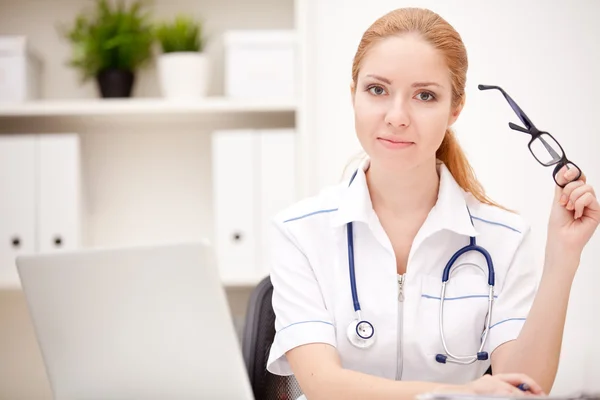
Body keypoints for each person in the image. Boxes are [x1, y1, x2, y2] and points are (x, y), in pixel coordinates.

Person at [265, 7, 600, 400]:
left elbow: (523, 386)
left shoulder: (505, 238)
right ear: (353, 93)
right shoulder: (300, 231)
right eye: (377, 90)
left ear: (454, 109)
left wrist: (563, 257)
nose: (396, 116)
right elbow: (323, 385)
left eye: (425, 96)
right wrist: (459, 393)